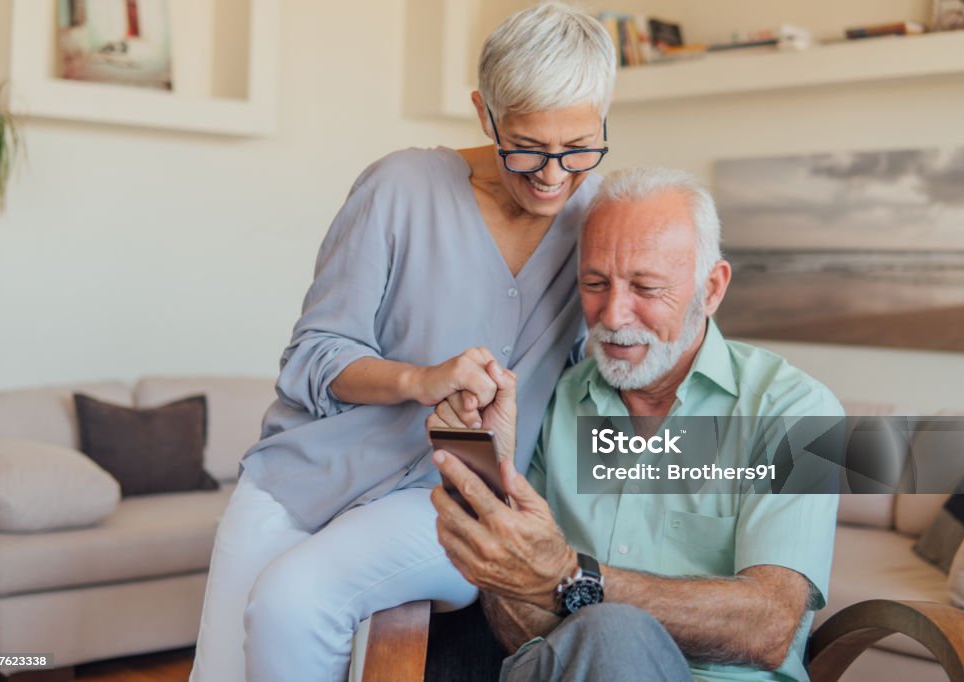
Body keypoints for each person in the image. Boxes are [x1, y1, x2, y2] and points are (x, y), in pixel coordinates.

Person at [189, 4, 617, 681]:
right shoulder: (400, 186)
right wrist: (419, 381)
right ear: (486, 115)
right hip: (303, 474)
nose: (554, 175)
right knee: (219, 673)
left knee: (291, 605)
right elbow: (313, 356)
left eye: (579, 149)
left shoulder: (600, 220)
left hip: (452, 495)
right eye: (528, 148)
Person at [429, 167, 843, 682]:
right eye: (594, 283)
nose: (614, 314)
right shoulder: (556, 398)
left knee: (614, 631)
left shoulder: (793, 409)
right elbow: (522, 631)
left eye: (645, 287)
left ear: (711, 289)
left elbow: (769, 625)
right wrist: (491, 480)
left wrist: (570, 578)